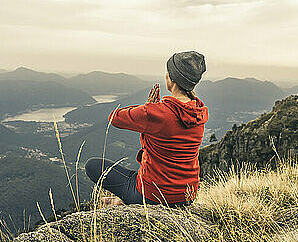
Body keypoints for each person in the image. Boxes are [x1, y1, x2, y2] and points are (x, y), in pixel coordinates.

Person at [84, 51, 209, 208]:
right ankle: (123, 201)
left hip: (154, 195)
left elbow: (115, 117)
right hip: (187, 195)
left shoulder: (157, 112)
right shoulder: (199, 112)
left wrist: (147, 108)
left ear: (172, 79)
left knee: (92, 166)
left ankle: (128, 201)